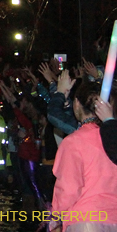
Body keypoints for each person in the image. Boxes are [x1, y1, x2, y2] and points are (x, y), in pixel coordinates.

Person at [50, 82, 117, 231]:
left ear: (77, 104)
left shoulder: (74, 142)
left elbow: (68, 189)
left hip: (86, 220)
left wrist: (55, 217)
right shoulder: (113, 139)